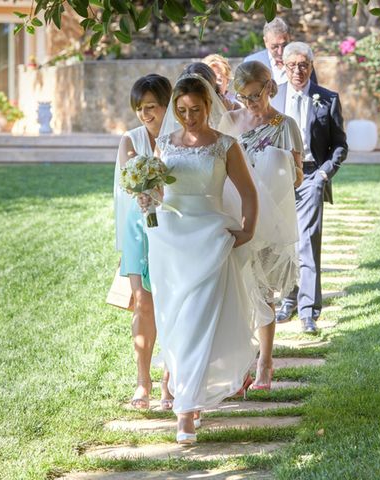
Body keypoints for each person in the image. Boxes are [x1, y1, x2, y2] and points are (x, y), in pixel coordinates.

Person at [142, 74, 261, 444]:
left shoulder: (225, 145)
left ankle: (187, 413)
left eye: (195, 110)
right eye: (181, 111)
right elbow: (159, 192)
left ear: (208, 106)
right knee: (175, 323)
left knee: (197, 322)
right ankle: (185, 395)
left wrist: (248, 230)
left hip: (210, 238)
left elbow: (249, 194)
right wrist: (146, 199)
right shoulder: (165, 143)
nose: (189, 117)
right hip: (170, 241)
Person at [220, 60, 303, 390]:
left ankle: (265, 363)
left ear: (270, 87)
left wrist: (276, 168)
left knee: (265, 292)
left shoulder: (286, 125)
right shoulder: (230, 122)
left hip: (272, 216)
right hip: (236, 212)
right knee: (237, 291)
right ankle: (240, 365)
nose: (250, 104)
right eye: (243, 97)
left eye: (255, 95)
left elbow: (298, 175)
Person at [270, 42, 348, 334]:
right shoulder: (274, 101)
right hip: (279, 178)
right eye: (292, 65)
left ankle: (308, 310)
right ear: (284, 67)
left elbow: (340, 144)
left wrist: (325, 173)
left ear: (311, 67)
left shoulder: (326, 99)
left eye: (303, 65)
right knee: (284, 243)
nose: (298, 71)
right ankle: (287, 301)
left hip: (313, 175)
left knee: (307, 242)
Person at [112, 74, 174, 409]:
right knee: (142, 302)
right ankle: (142, 382)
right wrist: (142, 192)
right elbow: (128, 183)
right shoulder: (130, 139)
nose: (145, 114)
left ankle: (169, 381)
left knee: (169, 303)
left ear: (166, 105)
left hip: (171, 227)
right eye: (139, 107)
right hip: (138, 227)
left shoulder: (178, 138)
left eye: (151, 106)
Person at [244, 18, 318, 86]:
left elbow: (314, 94)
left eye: (284, 45)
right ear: (265, 41)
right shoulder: (251, 63)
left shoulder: (303, 62)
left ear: (290, 39)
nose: (280, 52)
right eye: (275, 47)